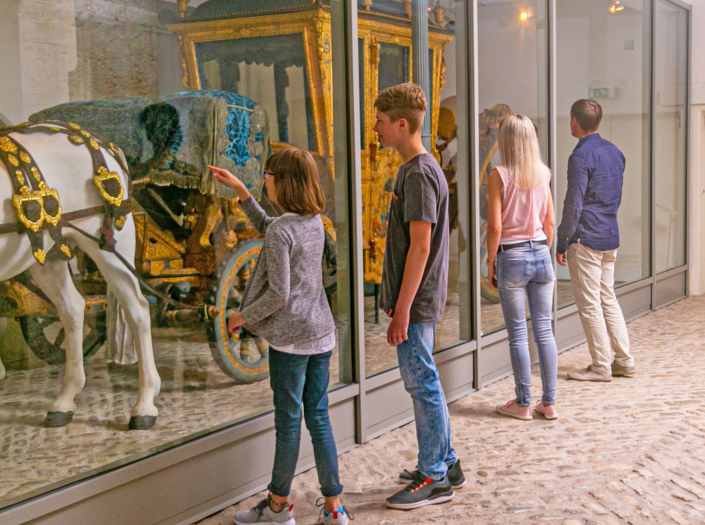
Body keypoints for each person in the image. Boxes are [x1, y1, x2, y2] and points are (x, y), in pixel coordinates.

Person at [208, 149, 351, 525]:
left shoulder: (281, 230)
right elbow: (271, 226)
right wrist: (242, 192)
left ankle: (277, 508)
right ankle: (335, 509)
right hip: (320, 334)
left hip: (289, 342)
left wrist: (242, 316)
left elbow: (278, 294)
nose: (264, 177)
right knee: (318, 419)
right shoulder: (313, 221)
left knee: (288, 422)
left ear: (282, 181)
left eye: (267, 173)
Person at [373, 83, 465, 510]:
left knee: (422, 382)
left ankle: (434, 476)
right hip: (419, 299)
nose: (376, 129)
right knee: (426, 381)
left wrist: (401, 311)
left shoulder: (418, 173)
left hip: (417, 301)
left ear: (402, 124)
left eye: (381, 122)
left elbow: (422, 245)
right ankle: (445, 461)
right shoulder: (417, 170)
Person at [555, 99, 636, 382]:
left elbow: (573, 202)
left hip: (586, 237)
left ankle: (601, 366)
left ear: (574, 121)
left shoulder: (580, 157)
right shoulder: (615, 153)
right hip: (609, 235)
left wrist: (562, 240)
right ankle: (623, 360)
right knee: (608, 299)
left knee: (590, 305)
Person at [486, 115, 559, 420]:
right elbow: (550, 222)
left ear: (505, 141)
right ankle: (550, 402)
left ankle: (523, 403)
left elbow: (494, 226)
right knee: (544, 330)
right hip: (541, 253)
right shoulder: (543, 173)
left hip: (511, 257)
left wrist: (490, 262)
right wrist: (543, 252)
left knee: (518, 333)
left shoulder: (498, 174)